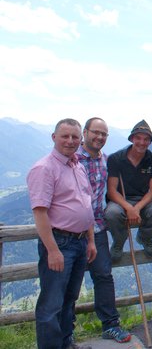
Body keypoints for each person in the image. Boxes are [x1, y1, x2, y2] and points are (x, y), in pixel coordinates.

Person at [27, 118, 97, 349]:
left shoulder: (76, 165)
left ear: (81, 139)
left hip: (78, 242)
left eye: (75, 137)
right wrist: (52, 250)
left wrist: (90, 240)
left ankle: (66, 342)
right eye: (65, 136)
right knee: (51, 305)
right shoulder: (44, 168)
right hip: (60, 242)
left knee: (69, 300)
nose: (70, 141)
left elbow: (86, 204)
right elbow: (40, 212)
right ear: (54, 137)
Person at [76, 117, 131, 343]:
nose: (99, 137)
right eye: (95, 132)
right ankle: (65, 332)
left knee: (103, 276)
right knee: (70, 282)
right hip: (73, 230)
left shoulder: (106, 161)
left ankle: (110, 325)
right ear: (85, 133)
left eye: (103, 134)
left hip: (97, 229)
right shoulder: (72, 159)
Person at [105, 120, 152, 262]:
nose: (142, 142)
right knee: (111, 214)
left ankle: (144, 237)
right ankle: (119, 242)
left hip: (143, 201)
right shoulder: (116, 159)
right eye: (138, 138)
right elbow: (111, 191)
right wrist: (129, 208)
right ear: (131, 139)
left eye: (146, 139)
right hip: (120, 200)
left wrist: (137, 208)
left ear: (150, 142)